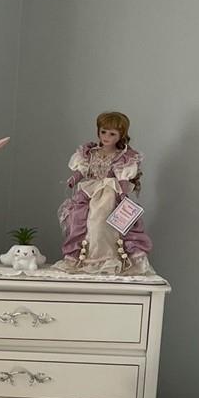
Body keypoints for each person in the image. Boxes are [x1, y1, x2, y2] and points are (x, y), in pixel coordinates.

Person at [56, 110, 156, 276]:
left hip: (109, 193)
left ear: (120, 136)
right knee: (81, 222)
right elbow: (83, 170)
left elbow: (123, 178)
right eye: (103, 132)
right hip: (90, 191)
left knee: (101, 222)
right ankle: (84, 259)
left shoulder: (122, 156)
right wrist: (74, 178)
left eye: (112, 134)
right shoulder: (90, 152)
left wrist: (123, 194)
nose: (106, 137)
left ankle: (109, 258)